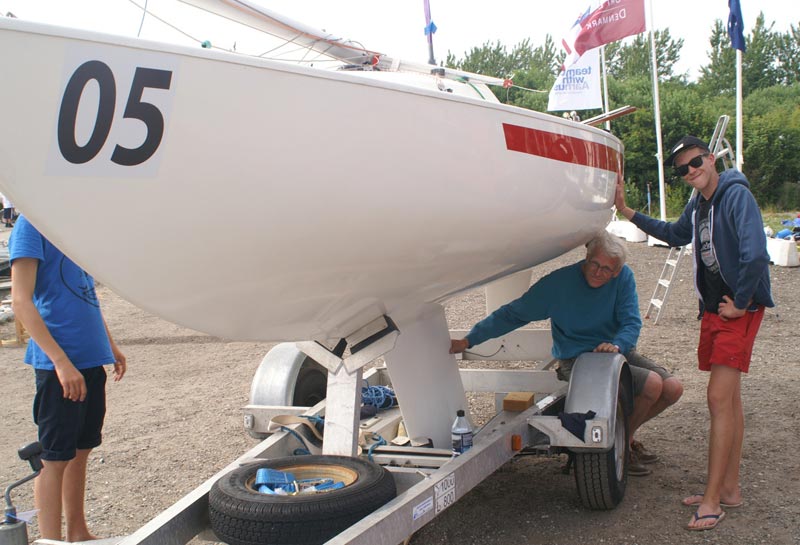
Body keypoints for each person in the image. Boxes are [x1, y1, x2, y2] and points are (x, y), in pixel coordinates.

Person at [615, 135, 773, 531]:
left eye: (696, 161)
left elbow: (755, 254)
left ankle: (711, 501)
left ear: (711, 158)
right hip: (716, 310)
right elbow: (675, 234)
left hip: (737, 310)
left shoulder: (735, 196)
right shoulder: (699, 204)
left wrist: (740, 301)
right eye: (683, 168)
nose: (691, 171)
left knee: (718, 400)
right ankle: (729, 489)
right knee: (730, 401)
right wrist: (627, 211)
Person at [449, 231, 682, 476]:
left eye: (607, 270)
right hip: (577, 359)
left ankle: (626, 439)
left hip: (614, 352)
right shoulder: (559, 283)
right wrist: (469, 340)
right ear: (587, 257)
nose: (599, 272)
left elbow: (631, 322)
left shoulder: (623, 278)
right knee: (652, 385)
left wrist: (617, 345)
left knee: (673, 388)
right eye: (595, 264)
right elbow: (513, 314)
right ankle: (623, 447)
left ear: (617, 271)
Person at [9, 215, 127, 541]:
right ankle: (51, 539)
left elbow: (86, 293)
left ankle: (77, 531)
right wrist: (60, 362)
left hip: (90, 360)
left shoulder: (72, 227)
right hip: (59, 366)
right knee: (54, 457)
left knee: (81, 449)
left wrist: (110, 345)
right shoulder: (31, 225)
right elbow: (21, 300)